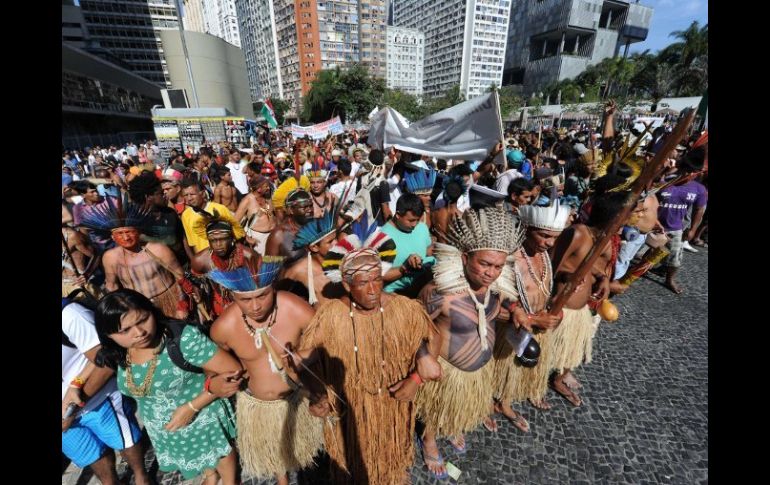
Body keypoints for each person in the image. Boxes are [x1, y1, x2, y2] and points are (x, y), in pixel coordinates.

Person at [291, 242, 441, 484]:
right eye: (363, 283)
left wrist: (416, 378)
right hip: (350, 409)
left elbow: (433, 337)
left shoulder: (405, 308)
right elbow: (302, 357)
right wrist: (318, 393)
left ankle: (392, 474)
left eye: (377, 279)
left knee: (392, 455)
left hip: (393, 402)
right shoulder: (331, 316)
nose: (373, 290)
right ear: (348, 285)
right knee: (351, 464)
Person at [416, 204, 524, 478]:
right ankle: (429, 439)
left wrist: (516, 314)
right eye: (484, 263)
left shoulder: (497, 288)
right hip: (447, 371)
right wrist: (423, 357)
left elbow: (488, 315)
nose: (491, 272)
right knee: (434, 409)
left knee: (454, 411)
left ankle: (452, 425)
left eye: (498, 266)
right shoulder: (440, 292)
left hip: (478, 371)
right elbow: (412, 328)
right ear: (464, 257)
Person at [94, 289, 244, 484]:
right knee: (205, 461)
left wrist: (192, 407)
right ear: (108, 335)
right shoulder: (117, 353)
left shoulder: (182, 340)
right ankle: (210, 474)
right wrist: (75, 387)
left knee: (220, 452)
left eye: (143, 320)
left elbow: (233, 370)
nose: (139, 333)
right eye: (125, 330)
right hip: (167, 429)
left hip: (203, 418)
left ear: (152, 311)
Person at [207, 258, 323, 485]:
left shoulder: (295, 308)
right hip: (256, 406)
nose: (255, 306)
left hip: (298, 398)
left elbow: (327, 342)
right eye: (246, 300)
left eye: (262, 296)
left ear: (273, 289)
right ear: (233, 297)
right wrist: (216, 382)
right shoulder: (223, 328)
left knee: (306, 456)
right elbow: (212, 368)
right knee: (278, 460)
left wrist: (306, 357)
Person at [486, 202, 569, 435]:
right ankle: (484, 405)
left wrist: (554, 311)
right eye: (544, 235)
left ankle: (505, 402)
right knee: (496, 369)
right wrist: (528, 317)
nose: (550, 242)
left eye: (554, 237)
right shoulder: (510, 256)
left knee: (515, 371)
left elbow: (544, 288)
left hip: (535, 327)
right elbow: (494, 297)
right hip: (507, 329)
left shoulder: (545, 255)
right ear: (526, 228)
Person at [62, 299, 151, 485]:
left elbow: (108, 361)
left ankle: (142, 476)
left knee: (126, 441)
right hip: (65, 423)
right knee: (90, 454)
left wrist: (72, 406)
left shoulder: (69, 315)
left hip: (99, 400)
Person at [549, 191, 626, 406]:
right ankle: (534, 387)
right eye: (623, 220)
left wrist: (601, 278)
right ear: (611, 218)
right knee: (547, 351)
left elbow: (589, 266)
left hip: (581, 308)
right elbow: (549, 268)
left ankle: (558, 379)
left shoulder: (600, 239)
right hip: (561, 306)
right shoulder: (577, 234)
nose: (625, 225)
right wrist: (567, 277)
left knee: (571, 350)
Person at [78, 195, 190, 320]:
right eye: (120, 234)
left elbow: (180, 276)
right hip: (139, 309)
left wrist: (182, 305)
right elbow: (112, 286)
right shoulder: (110, 257)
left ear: (138, 233)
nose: (126, 238)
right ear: (113, 237)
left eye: (129, 232)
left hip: (170, 303)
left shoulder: (158, 249)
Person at [657, 148, 707, 294]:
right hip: (653, 226)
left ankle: (669, 279)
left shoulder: (699, 189)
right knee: (638, 254)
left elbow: (699, 211)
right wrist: (663, 174)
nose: (688, 174)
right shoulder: (665, 180)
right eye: (686, 169)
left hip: (675, 228)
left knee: (675, 258)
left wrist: (692, 230)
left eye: (692, 171)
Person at [283, 209, 343, 306]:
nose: (336, 243)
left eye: (336, 238)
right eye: (330, 241)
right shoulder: (297, 273)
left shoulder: (345, 261)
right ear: (314, 247)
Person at [380, 193, 435, 296]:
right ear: (398, 215)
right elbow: (379, 275)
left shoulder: (422, 228)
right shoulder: (382, 238)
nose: (414, 224)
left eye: (417, 220)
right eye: (411, 220)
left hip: (422, 291)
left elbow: (426, 250)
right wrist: (405, 267)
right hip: (394, 298)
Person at [180, 180, 246, 254]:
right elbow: (193, 243)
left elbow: (235, 233)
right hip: (204, 259)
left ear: (203, 194)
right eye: (186, 195)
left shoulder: (220, 209)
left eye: (192, 194)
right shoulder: (185, 215)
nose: (189, 198)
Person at [264, 188, 314, 265]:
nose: (310, 210)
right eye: (304, 207)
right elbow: (269, 267)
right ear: (291, 210)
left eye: (311, 206)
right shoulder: (278, 235)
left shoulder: (317, 227)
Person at [234, 175, 276, 255]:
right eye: (266, 186)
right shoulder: (247, 200)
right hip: (259, 239)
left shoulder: (268, 196)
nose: (268, 188)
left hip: (273, 235)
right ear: (259, 189)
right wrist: (247, 238)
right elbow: (235, 222)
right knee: (263, 264)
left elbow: (273, 214)